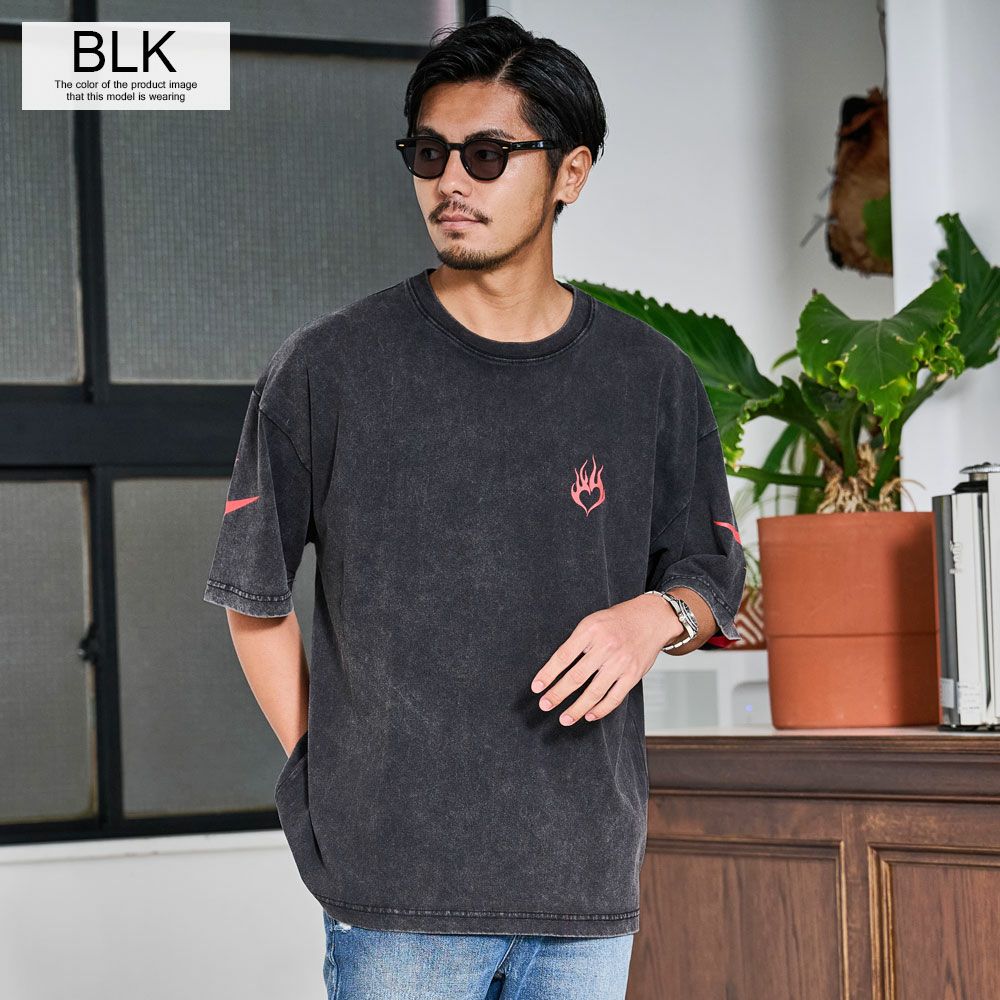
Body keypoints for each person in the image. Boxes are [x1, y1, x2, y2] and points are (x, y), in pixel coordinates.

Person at [203, 14, 745, 1000]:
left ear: (570, 172)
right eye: (429, 153)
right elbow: (253, 594)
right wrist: (323, 771)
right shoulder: (328, 369)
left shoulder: (649, 377)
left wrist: (652, 618)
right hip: (395, 893)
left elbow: (709, 570)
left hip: (583, 881)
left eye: (487, 155)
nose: (451, 181)